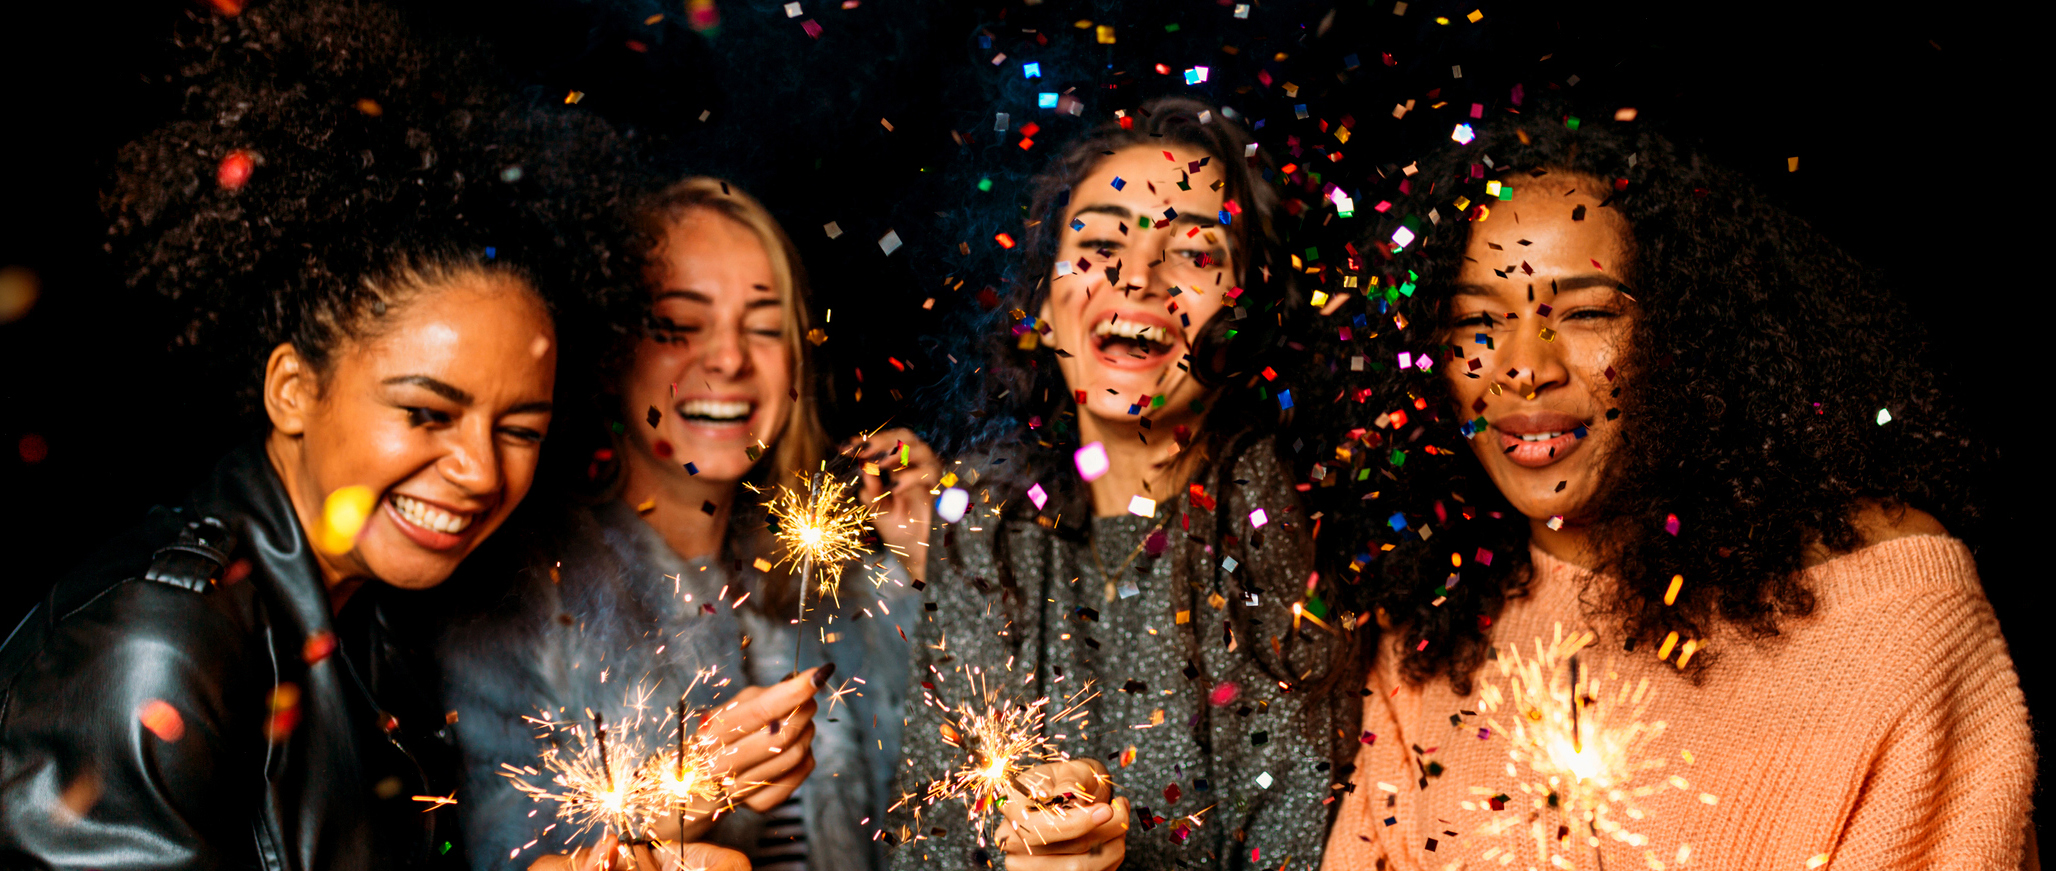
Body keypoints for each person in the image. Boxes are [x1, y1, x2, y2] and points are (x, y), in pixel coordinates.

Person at [0, 1, 721, 869]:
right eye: (425, 412)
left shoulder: (369, 628)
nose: (476, 468)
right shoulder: (154, 652)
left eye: (520, 427)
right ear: (292, 390)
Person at [1317, 107, 2036, 869]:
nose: (1524, 365)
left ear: (1690, 338)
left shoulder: (1894, 617)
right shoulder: (1427, 638)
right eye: (1477, 322)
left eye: (1588, 312)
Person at [890, 96, 1361, 871]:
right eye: (1100, 241)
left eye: (1194, 253)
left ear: (1247, 314)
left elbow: (1297, 845)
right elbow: (930, 843)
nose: (1136, 276)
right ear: (1042, 302)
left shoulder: (1272, 516)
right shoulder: (986, 518)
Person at [435, 178, 930, 871]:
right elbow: (499, 851)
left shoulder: (839, 579)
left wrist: (924, 572)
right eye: (677, 325)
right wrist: (669, 798)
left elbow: (935, 820)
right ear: (612, 352)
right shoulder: (524, 586)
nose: (729, 358)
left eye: (763, 325)